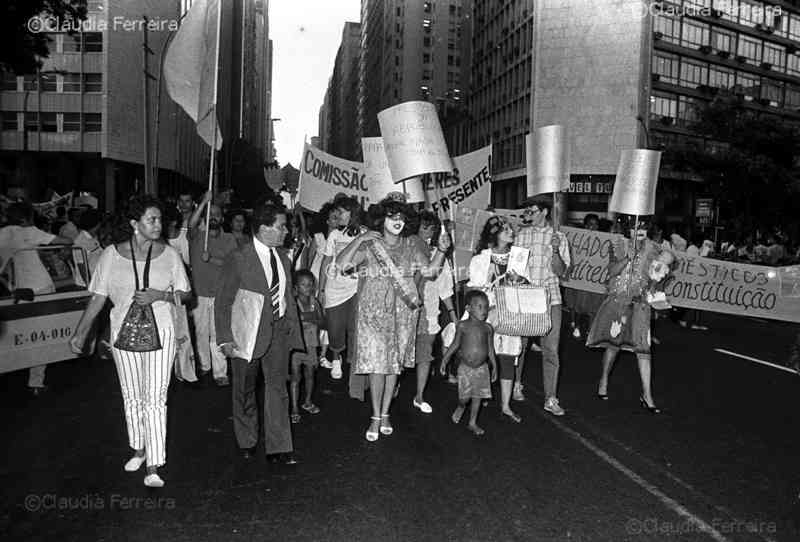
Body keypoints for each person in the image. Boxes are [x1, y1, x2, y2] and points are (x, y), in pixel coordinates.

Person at [69, 195, 191, 487]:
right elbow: (98, 296)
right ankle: (139, 447)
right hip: (123, 334)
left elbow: (186, 294)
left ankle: (154, 465)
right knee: (131, 395)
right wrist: (81, 331)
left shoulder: (170, 255)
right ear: (135, 224)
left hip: (162, 334)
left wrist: (160, 295)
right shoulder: (110, 255)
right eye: (152, 219)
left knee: (156, 399)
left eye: (160, 218)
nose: (159, 224)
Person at [336, 196, 450, 441]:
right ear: (381, 219)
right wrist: (359, 239)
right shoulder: (370, 243)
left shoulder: (412, 244)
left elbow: (429, 271)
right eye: (391, 216)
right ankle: (376, 416)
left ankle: (386, 413)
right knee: (377, 365)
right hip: (373, 313)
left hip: (403, 312)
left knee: (392, 366)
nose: (397, 221)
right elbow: (341, 265)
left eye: (401, 217)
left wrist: (441, 249)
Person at [215, 199, 303, 465]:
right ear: (264, 228)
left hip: (277, 332)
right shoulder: (239, 258)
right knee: (244, 389)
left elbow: (286, 295)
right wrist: (225, 338)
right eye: (282, 226)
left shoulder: (284, 259)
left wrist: (290, 328)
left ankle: (279, 446)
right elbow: (223, 301)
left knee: (278, 389)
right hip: (247, 332)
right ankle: (247, 439)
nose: (286, 231)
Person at [586, 220, 674, 414]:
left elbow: (660, 272)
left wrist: (658, 279)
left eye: (643, 228)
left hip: (641, 304)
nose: (639, 231)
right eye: (636, 227)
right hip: (618, 303)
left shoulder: (654, 248)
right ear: (629, 229)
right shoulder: (618, 245)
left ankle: (647, 395)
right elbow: (610, 272)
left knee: (644, 349)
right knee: (613, 346)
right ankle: (604, 379)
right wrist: (627, 258)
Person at [0, 202, 74, 395]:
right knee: (43, 333)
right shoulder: (31, 232)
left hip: (18, 288)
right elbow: (65, 241)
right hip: (41, 287)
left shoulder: (4, 233)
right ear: (27, 217)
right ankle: (36, 382)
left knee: (20, 333)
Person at [466, 215, 528, 422]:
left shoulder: (519, 258)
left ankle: (506, 405)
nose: (511, 232)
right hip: (486, 316)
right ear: (495, 235)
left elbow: (527, 286)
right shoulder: (480, 259)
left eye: (511, 229)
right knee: (482, 357)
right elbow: (474, 291)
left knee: (508, 357)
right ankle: (478, 398)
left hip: (510, 314)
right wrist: (487, 288)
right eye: (506, 230)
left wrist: (520, 281)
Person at [515, 197, 571, 416]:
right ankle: (516, 384)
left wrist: (555, 250)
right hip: (526, 298)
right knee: (520, 346)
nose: (528, 214)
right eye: (527, 210)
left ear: (545, 212)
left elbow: (561, 272)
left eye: (532, 210)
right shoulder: (522, 235)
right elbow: (515, 270)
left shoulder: (559, 237)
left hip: (551, 299)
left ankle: (550, 398)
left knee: (550, 350)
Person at [188, 192, 238, 386]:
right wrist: (203, 203)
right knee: (201, 332)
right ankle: (204, 365)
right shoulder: (197, 237)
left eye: (217, 214)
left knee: (218, 333)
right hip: (199, 293)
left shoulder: (229, 239)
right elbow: (191, 224)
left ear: (222, 218)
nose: (214, 217)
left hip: (221, 295)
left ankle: (220, 372)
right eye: (210, 214)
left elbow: (233, 264)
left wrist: (212, 260)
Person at [413, 211, 457, 414]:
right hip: (405, 310)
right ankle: (392, 384)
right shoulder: (406, 248)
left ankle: (419, 395)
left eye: (431, 229)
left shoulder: (438, 254)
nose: (427, 233)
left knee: (425, 354)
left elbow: (445, 288)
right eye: (423, 228)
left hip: (429, 311)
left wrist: (453, 315)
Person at [318, 195, 365, 382]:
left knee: (355, 327)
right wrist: (321, 290)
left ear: (352, 213)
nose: (339, 215)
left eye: (342, 212)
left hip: (355, 288)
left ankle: (354, 363)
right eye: (337, 212)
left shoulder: (364, 233)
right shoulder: (335, 235)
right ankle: (335, 358)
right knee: (335, 326)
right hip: (334, 288)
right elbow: (326, 261)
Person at [439, 290, 497, 436]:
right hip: (465, 368)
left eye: (485, 307)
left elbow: (490, 349)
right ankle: (461, 405)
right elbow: (454, 344)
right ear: (468, 309)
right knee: (464, 397)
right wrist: (445, 360)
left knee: (477, 396)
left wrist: (495, 366)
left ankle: (472, 422)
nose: (483, 310)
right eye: (479, 306)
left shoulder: (488, 328)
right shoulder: (463, 326)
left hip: (482, 369)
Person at [290, 269, 324, 423]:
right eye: (303, 285)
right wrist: (304, 319)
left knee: (310, 375)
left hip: (311, 346)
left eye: (310, 284)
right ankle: (294, 408)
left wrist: (311, 319)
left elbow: (322, 321)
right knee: (296, 377)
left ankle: (308, 401)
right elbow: (289, 323)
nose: (308, 287)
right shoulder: (292, 303)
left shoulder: (314, 302)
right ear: (296, 287)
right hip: (296, 347)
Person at [308, 202, 339, 369]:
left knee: (328, 318)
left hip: (331, 283)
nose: (337, 221)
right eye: (334, 218)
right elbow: (308, 260)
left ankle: (323, 355)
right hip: (314, 282)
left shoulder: (341, 239)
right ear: (327, 221)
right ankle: (311, 351)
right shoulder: (318, 237)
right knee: (313, 317)